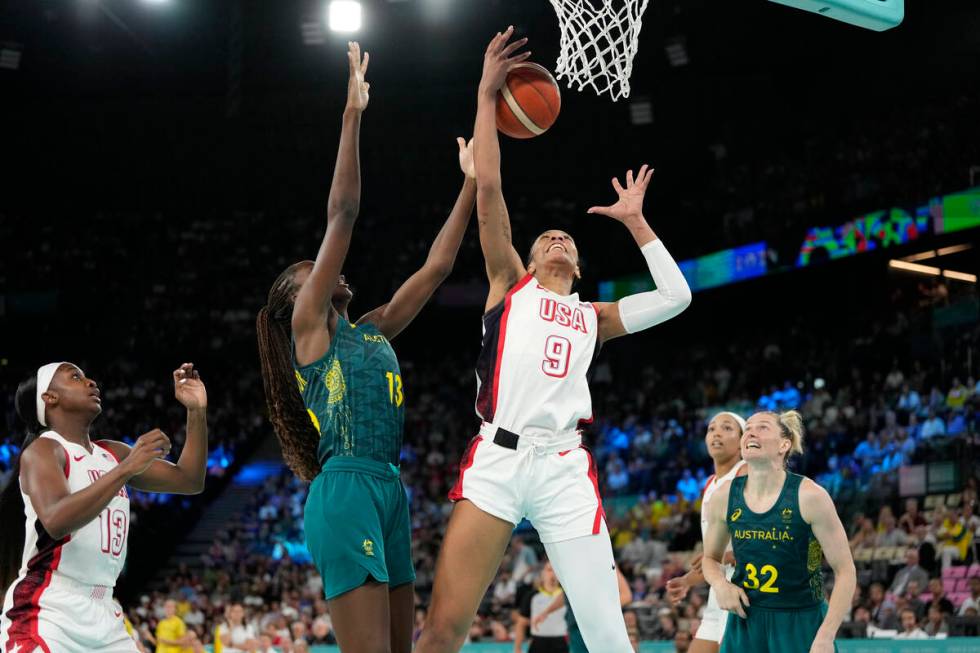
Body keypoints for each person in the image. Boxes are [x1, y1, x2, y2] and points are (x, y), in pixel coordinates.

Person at [416, 26, 691, 653]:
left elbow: (677, 298)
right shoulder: (510, 284)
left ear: (579, 266)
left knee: (607, 636)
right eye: (545, 237)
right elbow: (489, 188)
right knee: (441, 632)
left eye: (566, 237)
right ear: (529, 257)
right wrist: (487, 95)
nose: (557, 238)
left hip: (565, 467)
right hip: (499, 461)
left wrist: (640, 224)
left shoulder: (594, 315)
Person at [254, 42, 476, 653]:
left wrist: (471, 186)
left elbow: (437, 268)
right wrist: (352, 115)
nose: (325, 271)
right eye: (312, 269)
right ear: (299, 296)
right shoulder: (308, 328)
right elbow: (344, 213)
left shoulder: (371, 329)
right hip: (347, 489)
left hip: (388, 487)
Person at [0, 362, 208, 653]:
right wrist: (127, 469)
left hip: (104, 611)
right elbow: (56, 519)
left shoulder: (113, 452)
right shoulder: (45, 450)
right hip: (48, 608)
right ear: (50, 398)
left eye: (86, 375)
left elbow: (190, 480)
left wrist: (196, 412)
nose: (91, 381)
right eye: (75, 377)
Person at [702, 411, 857, 653]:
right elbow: (710, 559)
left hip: (800, 621)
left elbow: (846, 572)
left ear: (784, 445)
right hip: (746, 622)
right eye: (749, 428)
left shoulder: (811, 497)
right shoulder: (723, 496)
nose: (751, 432)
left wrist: (826, 636)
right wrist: (721, 585)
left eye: (762, 427)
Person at [666, 412, 747, 653]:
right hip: (717, 597)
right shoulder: (711, 483)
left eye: (727, 428)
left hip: (741, 594)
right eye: (712, 429)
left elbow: (759, 540)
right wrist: (688, 581)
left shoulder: (746, 476)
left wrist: (724, 556)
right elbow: (715, 557)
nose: (717, 433)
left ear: (743, 441)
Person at [515, 561, 568, 653]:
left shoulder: (567, 596)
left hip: (561, 642)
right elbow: (521, 623)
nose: (553, 574)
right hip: (538, 642)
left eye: (556, 570)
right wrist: (517, 649)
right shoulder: (532, 596)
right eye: (549, 570)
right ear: (543, 574)